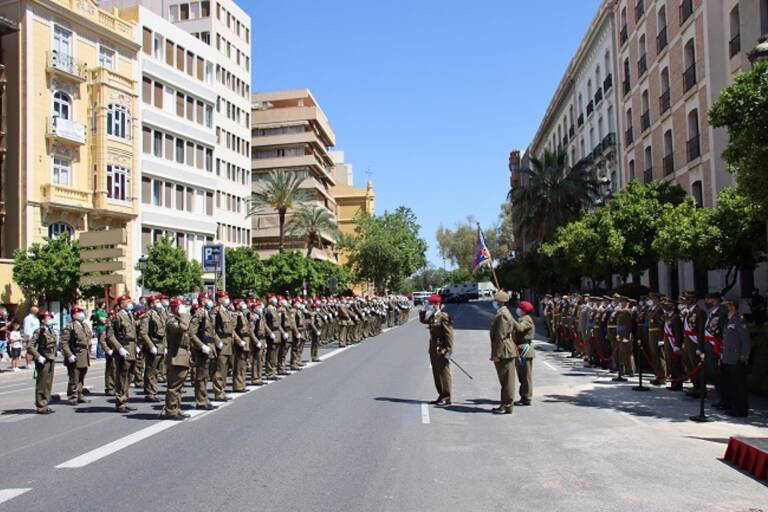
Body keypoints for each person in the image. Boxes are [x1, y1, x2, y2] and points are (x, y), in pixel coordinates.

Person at [161, 299, 192, 420]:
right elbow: (183, 327)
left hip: (182, 355)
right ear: (175, 308)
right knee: (174, 386)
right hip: (176, 356)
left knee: (179, 386)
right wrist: (184, 314)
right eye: (180, 306)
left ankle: (176, 408)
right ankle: (171, 410)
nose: (183, 308)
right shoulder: (171, 321)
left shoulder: (179, 319)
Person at [420, 293, 453, 406]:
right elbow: (423, 320)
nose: (430, 305)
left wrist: (448, 350)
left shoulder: (443, 316)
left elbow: (449, 334)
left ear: (437, 304)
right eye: (429, 304)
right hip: (433, 347)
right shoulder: (433, 315)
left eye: (431, 304)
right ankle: (441, 394)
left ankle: (447, 397)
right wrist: (423, 310)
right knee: (436, 373)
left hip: (441, 348)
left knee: (443, 373)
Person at [107, 294, 138, 413]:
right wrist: (119, 348)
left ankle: (125, 399)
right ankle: (120, 402)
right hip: (124, 348)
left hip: (132, 347)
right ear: (121, 304)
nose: (130, 303)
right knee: (122, 376)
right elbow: (110, 335)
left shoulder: (130, 315)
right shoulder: (117, 317)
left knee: (129, 376)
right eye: (127, 301)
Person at [720, 300, 751, 417]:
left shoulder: (739, 319)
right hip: (728, 357)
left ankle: (741, 409)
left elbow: (745, 340)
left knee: (739, 385)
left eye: (726, 306)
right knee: (732, 384)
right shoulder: (729, 320)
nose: (724, 308)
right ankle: (734, 407)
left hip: (737, 357)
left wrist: (744, 356)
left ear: (733, 306)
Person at [490, 291, 516, 414]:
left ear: (500, 301)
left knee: (506, 381)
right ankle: (505, 404)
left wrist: (497, 354)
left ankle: (507, 405)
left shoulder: (502, 314)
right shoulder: (504, 312)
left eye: (495, 300)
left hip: (504, 350)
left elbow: (500, 335)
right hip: (506, 349)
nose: (494, 302)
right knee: (506, 380)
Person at [60, 306, 93, 405]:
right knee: (74, 376)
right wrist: (69, 355)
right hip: (76, 353)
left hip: (84, 353)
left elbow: (88, 337)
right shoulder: (70, 326)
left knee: (82, 375)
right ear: (74, 315)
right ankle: (72, 396)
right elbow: (64, 342)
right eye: (79, 313)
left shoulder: (84, 325)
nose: (81, 315)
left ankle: (79, 394)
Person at [26, 310, 57, 414]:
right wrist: (38, 356)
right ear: (43, 320)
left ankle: (45, 403)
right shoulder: (39, 331)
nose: (49, 319)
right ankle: (40, 405)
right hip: (43, 359)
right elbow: (30, 346)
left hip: (51, 358)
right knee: (42, 383)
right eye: (48, 318)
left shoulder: (50, 330)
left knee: (48, 383)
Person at [512, 300, 536, 406]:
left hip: (525, 349)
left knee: (526, 376)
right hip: (520, 348)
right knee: (522, 376)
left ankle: (527, 397)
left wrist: (511, 320)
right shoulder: (523, 318)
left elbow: (520, 328)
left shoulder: (526, 319)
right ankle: (524, 395)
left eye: (520, 308)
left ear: (523, 310)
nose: (518, 310)